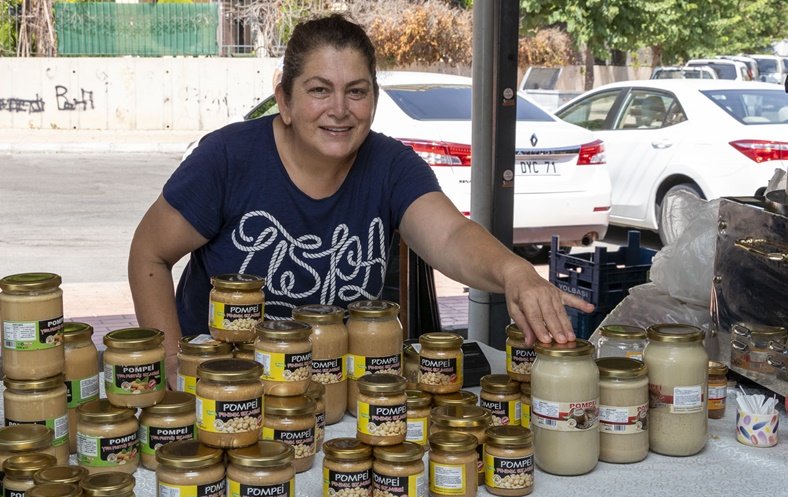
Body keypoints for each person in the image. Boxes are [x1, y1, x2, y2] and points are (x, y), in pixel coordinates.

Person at [128, 13, 594, 383]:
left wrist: (516, 273)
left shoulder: (390, 166)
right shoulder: (227, 159)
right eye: (318, 90)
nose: (339, 110)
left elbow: (451, 235)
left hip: (338, 390)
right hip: (226, 392)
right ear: (285, 101)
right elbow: (149, 253)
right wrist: (168, 360)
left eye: (356, 92)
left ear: (373, 98)